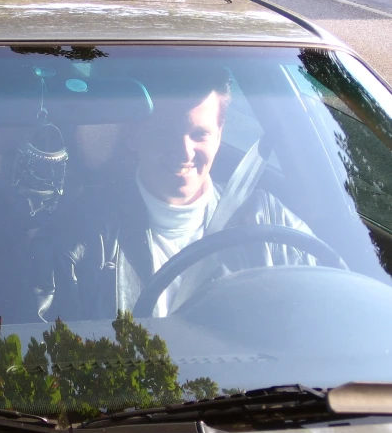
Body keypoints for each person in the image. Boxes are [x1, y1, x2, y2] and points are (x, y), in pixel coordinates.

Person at [32, 66, 315, 322]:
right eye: (165, 132)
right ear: (133, 135)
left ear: (219, 135)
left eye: (199, 134)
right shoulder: (80, 240)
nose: (184, 151)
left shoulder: (270, 222)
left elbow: (324, 312)